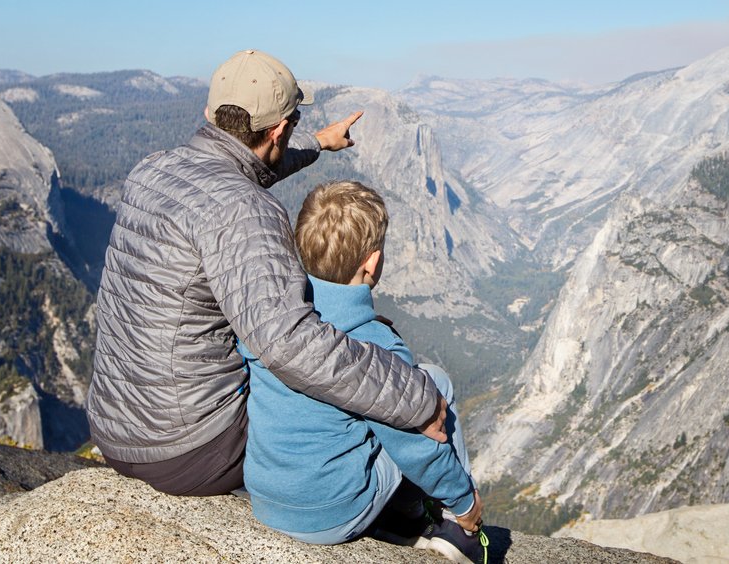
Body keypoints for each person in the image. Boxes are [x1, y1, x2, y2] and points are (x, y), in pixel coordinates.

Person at [87, 49, 447, 498]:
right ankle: (401, 514)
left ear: (213, 113)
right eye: (291, 125)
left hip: (115, 428)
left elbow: (242, 170)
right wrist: (416, 398)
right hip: (191, 450)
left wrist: (317, 142)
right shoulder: (247, 209)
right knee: (332, 397)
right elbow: (292, 345)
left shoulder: (153, 169)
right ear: (278, 129)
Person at [239, 180, 487, 563]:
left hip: (266, 495)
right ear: (371, 262)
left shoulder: (275, 320)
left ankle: (402, 515)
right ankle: (448, 528)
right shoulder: (377, 347)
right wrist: (464, 499)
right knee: (431, 384)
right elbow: (414, 444)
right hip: (331, 513)